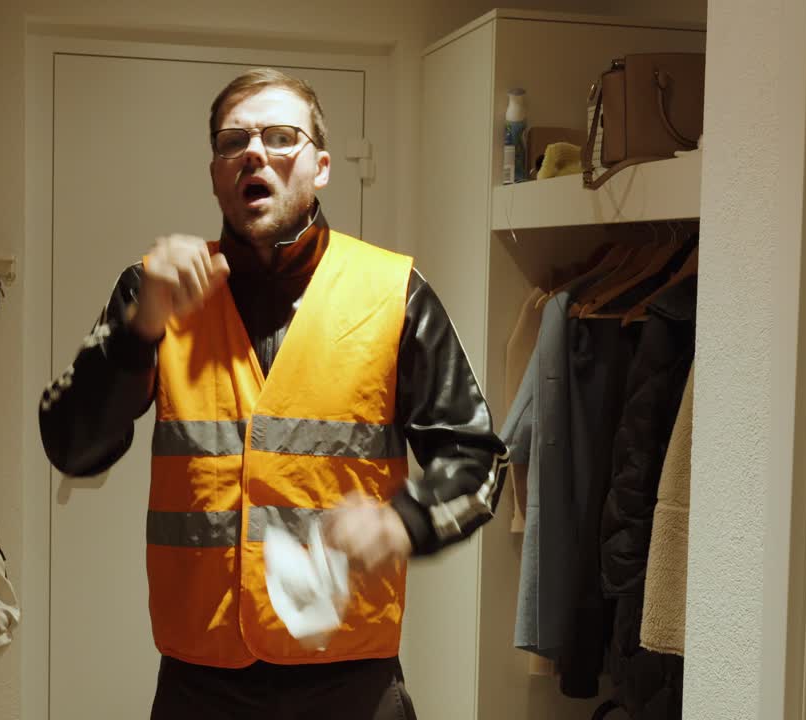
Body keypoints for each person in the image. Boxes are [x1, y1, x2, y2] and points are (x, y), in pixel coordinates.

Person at [38, 67, 507, 720]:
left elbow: (478, 457)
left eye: (281, 137)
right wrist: (137, 331)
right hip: (199, 685)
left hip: (350, 683)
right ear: (216, 173)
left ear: (319, 167)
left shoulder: (393, 293)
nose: (255, 152)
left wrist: (406, 519)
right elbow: (71, 445)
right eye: (234, 141)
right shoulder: (152, 293)